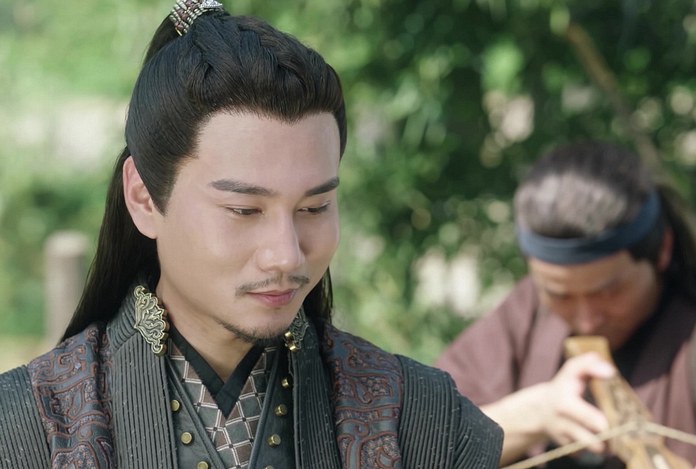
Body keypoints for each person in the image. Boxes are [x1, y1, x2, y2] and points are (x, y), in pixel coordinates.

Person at [0, 2, 502, 468]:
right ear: (144, 198)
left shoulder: (424, 421)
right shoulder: (27, 431)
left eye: (314, 207)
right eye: (244, 210)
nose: (286, 255)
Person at [435, 141, 696, 469]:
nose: (586, 319)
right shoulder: (526, 311)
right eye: (560, 294)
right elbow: (409, 442)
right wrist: (533, 414)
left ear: (661, 251)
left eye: (609, 291)